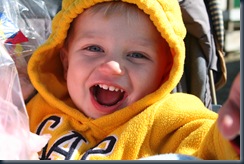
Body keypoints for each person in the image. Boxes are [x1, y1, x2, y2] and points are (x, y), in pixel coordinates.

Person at [25, 0, 240, 160]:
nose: (112, 67)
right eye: (94, 48)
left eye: (137, 55)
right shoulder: (39, 108)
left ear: (164, 72)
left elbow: (209, 144)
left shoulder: (168, 117)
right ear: (66, 61)